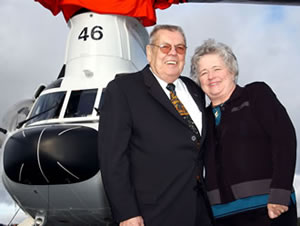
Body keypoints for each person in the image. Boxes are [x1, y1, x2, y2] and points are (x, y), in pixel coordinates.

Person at [98, 25, 214, 226]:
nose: (173, 53)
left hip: (199, 211)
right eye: (165, 47)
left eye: (180, 48)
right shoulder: (123, 89)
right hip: (153, 214)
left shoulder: (194, 90)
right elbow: (113, 158)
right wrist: (126, 212)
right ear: (149, 52)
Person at [190, 39, 297, 226]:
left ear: (231, 70)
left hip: (267, 208)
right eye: (203, 72)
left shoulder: (256, 94)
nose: (210, 76)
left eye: (216, 69)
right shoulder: (201, 118)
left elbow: (284, 139)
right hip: (221, 216)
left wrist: (281, 193)